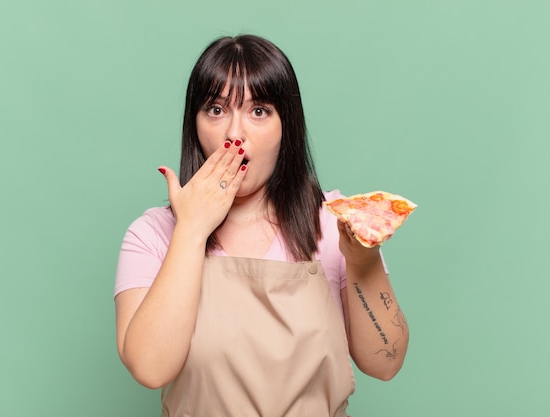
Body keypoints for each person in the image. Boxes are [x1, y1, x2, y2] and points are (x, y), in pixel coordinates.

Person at [114, 34, 409, 416]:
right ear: (195, 124)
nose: (234, 134)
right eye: (217, 110)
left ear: (287, 125)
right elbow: (150, 368)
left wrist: (364, 261)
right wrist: (190, 229)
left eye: (259, 111)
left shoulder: (334, 223)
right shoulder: (153, 235)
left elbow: (385, 363)